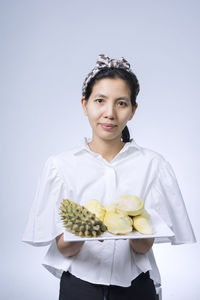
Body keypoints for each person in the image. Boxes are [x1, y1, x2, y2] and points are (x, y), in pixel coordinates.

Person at [22, 54, 196, 300]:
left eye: (121, 103)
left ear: (133, 110)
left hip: (135, 288)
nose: (110, 113)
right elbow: (64, 248)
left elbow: (142, 247)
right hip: (79, 287)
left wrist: (133, 227)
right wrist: (87, 229)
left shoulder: (153, 165)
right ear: (85, 105)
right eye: (100, 100)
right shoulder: (60, 166)